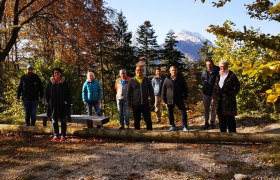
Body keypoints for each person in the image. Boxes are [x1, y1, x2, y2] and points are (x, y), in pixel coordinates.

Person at [213, 60, 240, 133]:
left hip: (229, 101)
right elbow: (215, 87)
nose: (222, 68)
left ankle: (233, 135)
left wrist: (232, 95)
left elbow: (237, 86)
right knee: (221, 118)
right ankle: (223, 135)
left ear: (227, 66)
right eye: (221, 67)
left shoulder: (231, 75)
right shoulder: (217, 75)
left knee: (230, 118)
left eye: (224, 67)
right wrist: (214, 97)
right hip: (219, 101)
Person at [45, 68, 71, 142]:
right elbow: (47, 93)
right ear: (53, 74)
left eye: (58, 73)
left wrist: (67, 101)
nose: (56, 74)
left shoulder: (64, 82)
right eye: (55, 73)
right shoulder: (50, 83)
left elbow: (68, 93)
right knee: (54, 120)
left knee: (63, 120)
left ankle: (63, 136)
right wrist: (48, 102)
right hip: (53, 105)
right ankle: (56, 135)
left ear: (60, 74)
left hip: (63, 105)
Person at [127, 64, 155, 130]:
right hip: (135, 104)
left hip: (145, 104)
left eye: (141, 70)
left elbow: (151, 91)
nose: (139, 71)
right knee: (136, 121)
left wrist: (152, 102)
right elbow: (128, 93)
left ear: (143, 71)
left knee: (148, 121)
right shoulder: (131, 81)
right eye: (138, 70)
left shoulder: (146, 80)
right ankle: (137, 136)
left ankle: (150, 135)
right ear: (135, 71)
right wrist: (129, 104)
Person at [162, 66, 189, 131]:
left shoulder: (181, 79)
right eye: (172, 70)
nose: (174, 71)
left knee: (183, 112)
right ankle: (172, 125)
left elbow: (185, 88)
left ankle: (184, 126)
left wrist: (185, 97)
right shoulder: (166, 79)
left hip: (179, 98)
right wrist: (164, 99)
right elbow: (163, 90)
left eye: (175, 70)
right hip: (170, 99)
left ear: (177, 71)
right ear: (170, 71)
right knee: (170, 112)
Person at [201, 59, 219, 129]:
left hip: (213, 93)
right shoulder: (204, 72)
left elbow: (218, 83)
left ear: (212, 64)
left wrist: (215, 93)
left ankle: (212, 122)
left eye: (210, 64)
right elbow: (202, 81)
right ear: (206, 65)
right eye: (207, 64)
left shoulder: (216, 72)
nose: (208, 66)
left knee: (213, 108)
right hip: (205, 93)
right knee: (206, 108)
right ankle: (206, 122)